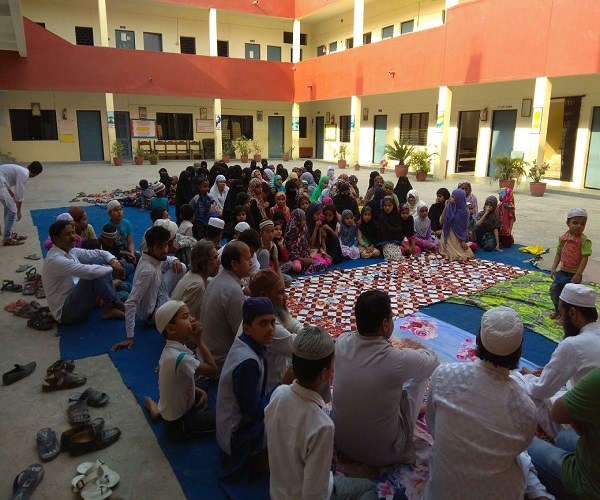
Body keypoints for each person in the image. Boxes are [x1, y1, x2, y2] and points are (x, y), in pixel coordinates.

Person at [424, 307, 537, 499]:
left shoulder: (444, 374)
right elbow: (519, 450)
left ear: (477, 341)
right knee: (524, 462)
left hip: (437, 493)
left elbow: (433, 425)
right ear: (519, 351)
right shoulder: (526, 408)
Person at [265, 326, 378, 500]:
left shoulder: (278, 394)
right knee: (369, 488)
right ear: (325, 373)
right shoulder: (322, 425)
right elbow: (314, 494)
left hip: (278, 492)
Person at [332, 291, 440, 467]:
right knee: (420, 375)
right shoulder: (396, 359)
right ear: (384, 324)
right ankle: (413, 412)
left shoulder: (342, 342)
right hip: (383, 455)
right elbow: (433, 362)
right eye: (391, 317)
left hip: (341, 442)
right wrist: (412, 352)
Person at [516, 283, 600, 438]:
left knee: (517, 382)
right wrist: (553, 375)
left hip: (585, 428)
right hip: (591, 405)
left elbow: (540, 391)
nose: (561, 321)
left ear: (573, 313)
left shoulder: (573, 345)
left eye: (562, 314)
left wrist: (528, 375)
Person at [216, 297, 277, 490]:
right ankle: (256, 458)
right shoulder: (248, 363)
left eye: (272, 322)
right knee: (285, 407)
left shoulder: (245, 343)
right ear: (248, 328)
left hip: (230, 428)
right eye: (263, 323)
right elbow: (255, 411)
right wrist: (280, 388)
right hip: (234, 440)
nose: (270, 329)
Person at [143, 300, 218, 440]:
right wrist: (198, 340)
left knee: (204, 385)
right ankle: (158, 410)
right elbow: (212, 369)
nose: (192, 319)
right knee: (224, 419)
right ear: (171, 329)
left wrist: (200, 392)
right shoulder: (181, 358)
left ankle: (157, 410)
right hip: (179, 424)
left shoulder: (169, 349)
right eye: (185, 317)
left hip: (173, 407)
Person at [527, 367, 600, 499]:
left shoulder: (596, 379)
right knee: (564, 436)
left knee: (527, 444)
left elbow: (557, 414)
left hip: (592, 486)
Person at [112, 225, 186, 351]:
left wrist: (175, 260)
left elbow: (167, 259)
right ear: (150, 248)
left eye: (166, 245)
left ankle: (170, 299)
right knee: (181, 312)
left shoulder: (152, 257)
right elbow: (131, 303)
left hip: (158, 295)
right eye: (160, 246)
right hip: (151, 314)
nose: (165, 249)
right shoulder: (148, 270)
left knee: (181, 267)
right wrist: (130, 336)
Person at [42, 219, 125, 324]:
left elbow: (100, 253)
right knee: (93, 274)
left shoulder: (70, 250)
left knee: (100, 261)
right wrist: (113, 268)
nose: (73, 237)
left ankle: (109, 305)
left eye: (73, 232)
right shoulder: (54, 260)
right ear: (56, 238)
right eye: (67, 234)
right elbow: (89, 272)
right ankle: (115, 302)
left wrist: (113, 261)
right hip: (67, 314)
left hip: (80, 299)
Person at [201, 240, 252, 372]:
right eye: (247, 259)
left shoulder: (219, 279)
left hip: (207, 352)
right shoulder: (232, 291)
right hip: (221, 360)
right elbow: (242, 336)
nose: (251, 263)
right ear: (234, 264)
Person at [549, 208, 591, 320]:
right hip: (562, 272)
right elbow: (558, 253)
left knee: (568, 297)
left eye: (582, 224)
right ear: (568, 223)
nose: (579, 226)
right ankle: (558, 311)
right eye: (575, 222)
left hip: (573, 275)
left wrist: (578, 274)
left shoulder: (584, 241)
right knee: (554, 290)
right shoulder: (563, 238)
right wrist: (554, 267)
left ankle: (565, 317)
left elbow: (584, 258)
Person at [171, 240, 220, 322]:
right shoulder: (198, 286)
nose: (219, 262)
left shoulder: (193, 275)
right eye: (215, 258)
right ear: (203, 263)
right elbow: (184, 320)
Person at [0, 161, 42, 246]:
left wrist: (12, 196)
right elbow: (19, 196)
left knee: (9, 208)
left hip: (1, 182)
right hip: (1, 183)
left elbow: (8, 187)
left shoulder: (21, 170)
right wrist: (19, 211)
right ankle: (7, 238)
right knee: (12, 210)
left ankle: (10, 234)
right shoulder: (24, 174)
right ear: (36, 174)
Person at [284, 208, 329, 274]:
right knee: (297, 267)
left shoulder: (304, 229)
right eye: (303, 220)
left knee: (326, 262)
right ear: (297, 220)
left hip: (305, 255)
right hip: (295, 258)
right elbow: (291, 254)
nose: (305, 222)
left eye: (305, 219)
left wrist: (308, 256)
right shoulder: (290, 233)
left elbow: (307, 245)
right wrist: (304, 260)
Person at [438, 189, 474, 261]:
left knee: (468, 254)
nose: (450, 198)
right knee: (450, 253)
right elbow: (441, 221)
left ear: (459, 199)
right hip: (448, 234)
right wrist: (446, 208)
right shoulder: (449, 207)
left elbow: (464, 228)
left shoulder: (464, 212)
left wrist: (462, 240)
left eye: (453, 197)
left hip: (458, 237)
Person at [107, 199, 137, 265]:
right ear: (109, 213)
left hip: (127, 251)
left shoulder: (127, 223)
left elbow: (130, 242)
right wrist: (125, 254)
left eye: (120, 209)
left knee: (140, 257)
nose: (119, 212)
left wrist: (132, 253)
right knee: (126, 265)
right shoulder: (107, 227)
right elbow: (109, 249)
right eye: (115, 210)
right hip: (115, 254)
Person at [376, 195, 404, 261]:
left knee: (398, 256)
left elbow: (398, 230)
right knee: (390, 257)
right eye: (385, 206)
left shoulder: (396, 216)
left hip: (394, 241)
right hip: (385, 242)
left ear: (393, 206)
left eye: (389, 205)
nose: (387, 208)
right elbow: (381, 233)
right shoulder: (381, 217)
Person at [190, 175, 216, 240]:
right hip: (199, 219)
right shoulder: (196, 198)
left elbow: (214, 202)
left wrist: (213, 207)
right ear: (199, 187)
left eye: (208, 186)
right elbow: (190, 206)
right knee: (200, 234)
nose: (207, 188)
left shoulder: (209, 196)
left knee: (208, 233)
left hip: (208, 218)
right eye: (204, 187)